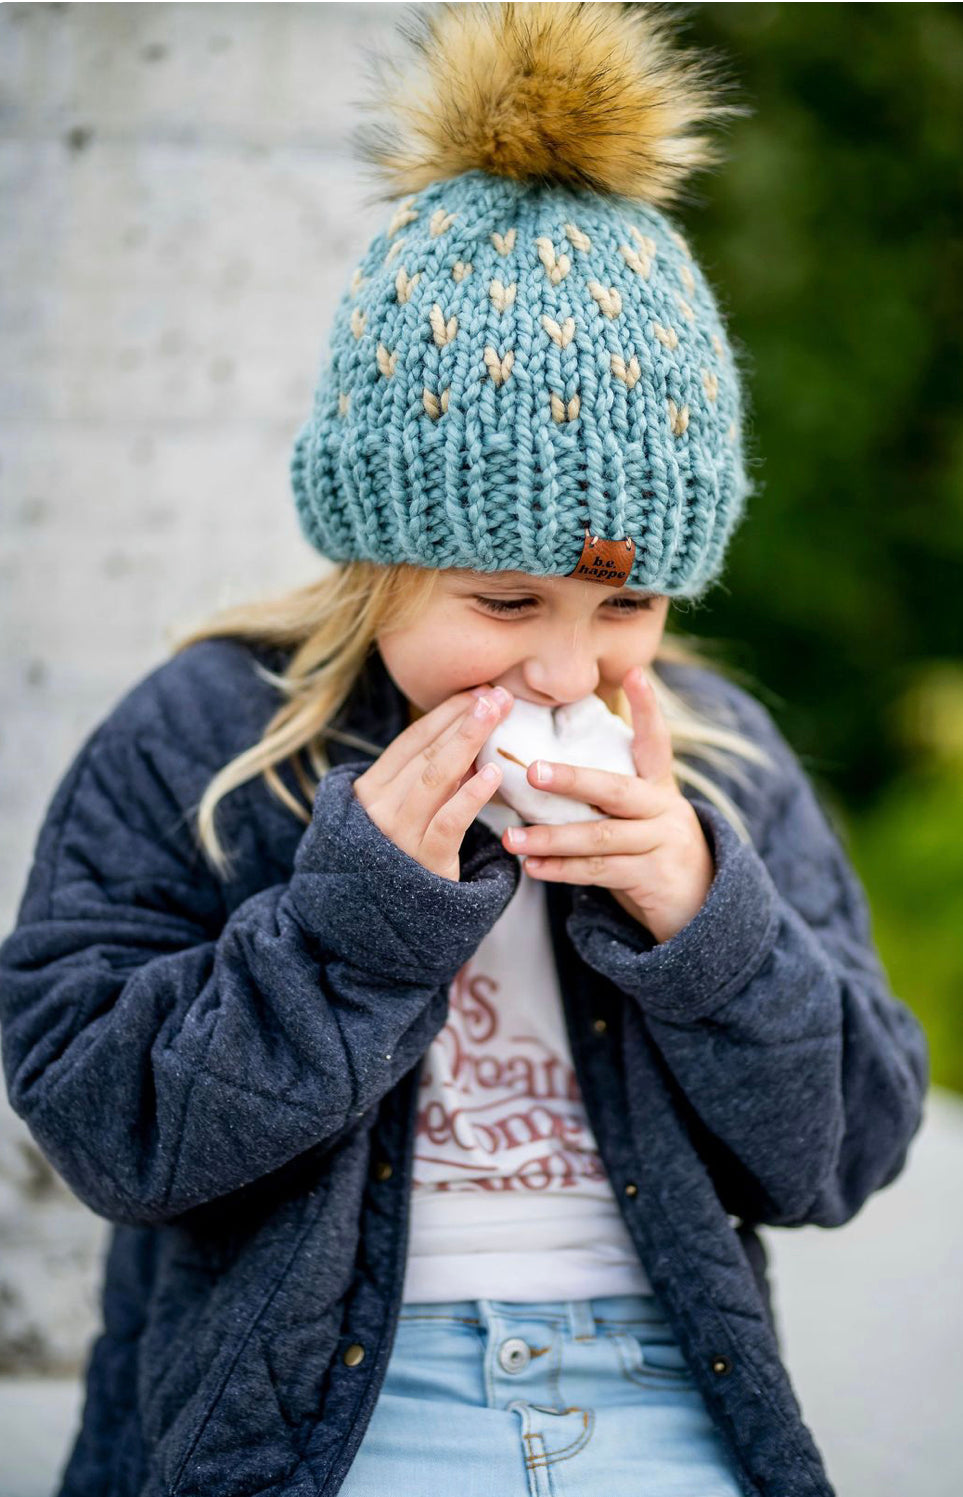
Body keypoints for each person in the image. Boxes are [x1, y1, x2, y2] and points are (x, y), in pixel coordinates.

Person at [0, 5, 929, 1496]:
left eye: (628, 598)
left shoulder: (719, 761)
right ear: (378, 556)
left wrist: (709, 920)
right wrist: (354, 924)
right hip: (306, 1419)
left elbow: (846, 1153)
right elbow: (110, 1130)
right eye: (505, 601)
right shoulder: (209, 736)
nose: (570, 663)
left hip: (658, 1376)